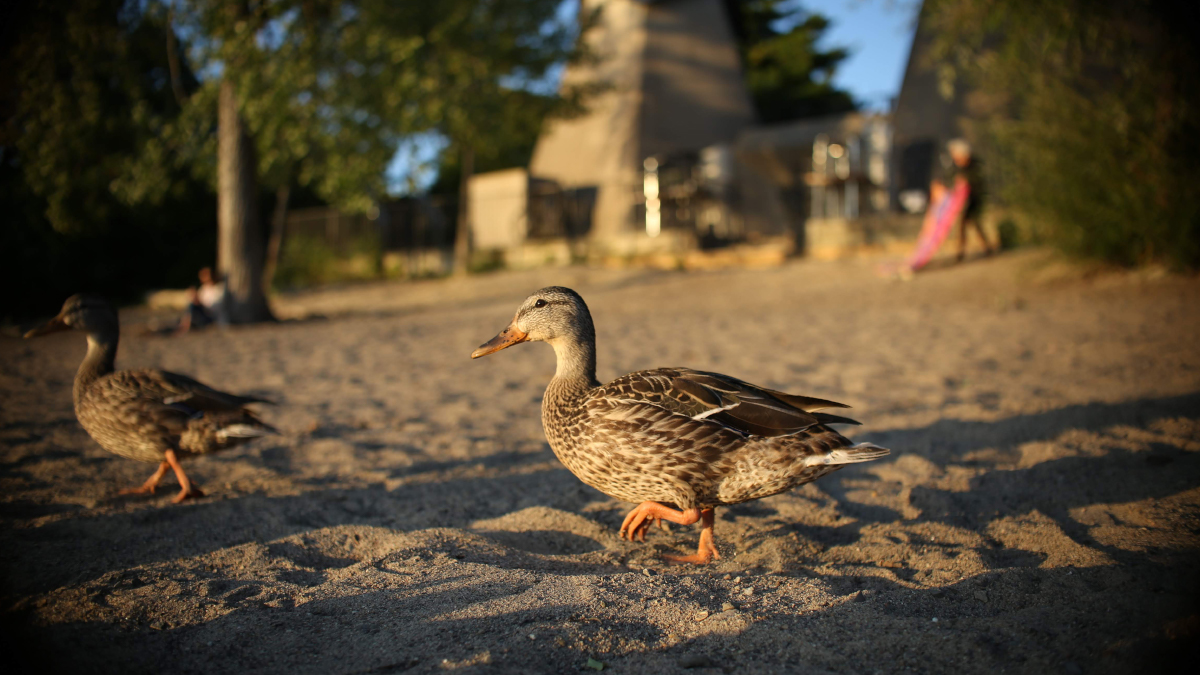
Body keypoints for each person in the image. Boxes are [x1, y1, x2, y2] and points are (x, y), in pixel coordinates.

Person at [940, 138, 994, 261]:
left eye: (955, 154)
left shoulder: (974, 165)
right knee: (967, 224)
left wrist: (965, 181)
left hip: (975, 199)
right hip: (964, 202)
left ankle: (965, 251)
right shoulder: (957, 167)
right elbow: (951, 180)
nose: (954, 157)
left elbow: (977, 182)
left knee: (972, 222)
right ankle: (971, 250)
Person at [174, 267, 229, 334]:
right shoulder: (204, 288)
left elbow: (218, 305)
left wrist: (200, 302)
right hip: (204, 314)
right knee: (191, 305)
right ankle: (186, 324)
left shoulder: (219, 288)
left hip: (213, 316)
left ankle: (186, 326)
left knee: (192, 306)